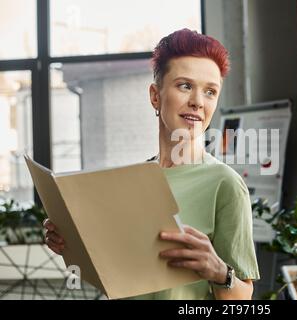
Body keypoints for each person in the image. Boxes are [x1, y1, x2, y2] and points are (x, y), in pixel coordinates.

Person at [43, 29, 260, 300]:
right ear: (155, 96)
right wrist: (68, 241)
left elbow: (242, 298)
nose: (197, 102)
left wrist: (219, 271)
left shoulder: (225, 184)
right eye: (185, 86)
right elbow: (114, 274)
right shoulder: (135, 180)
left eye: (210, 92)